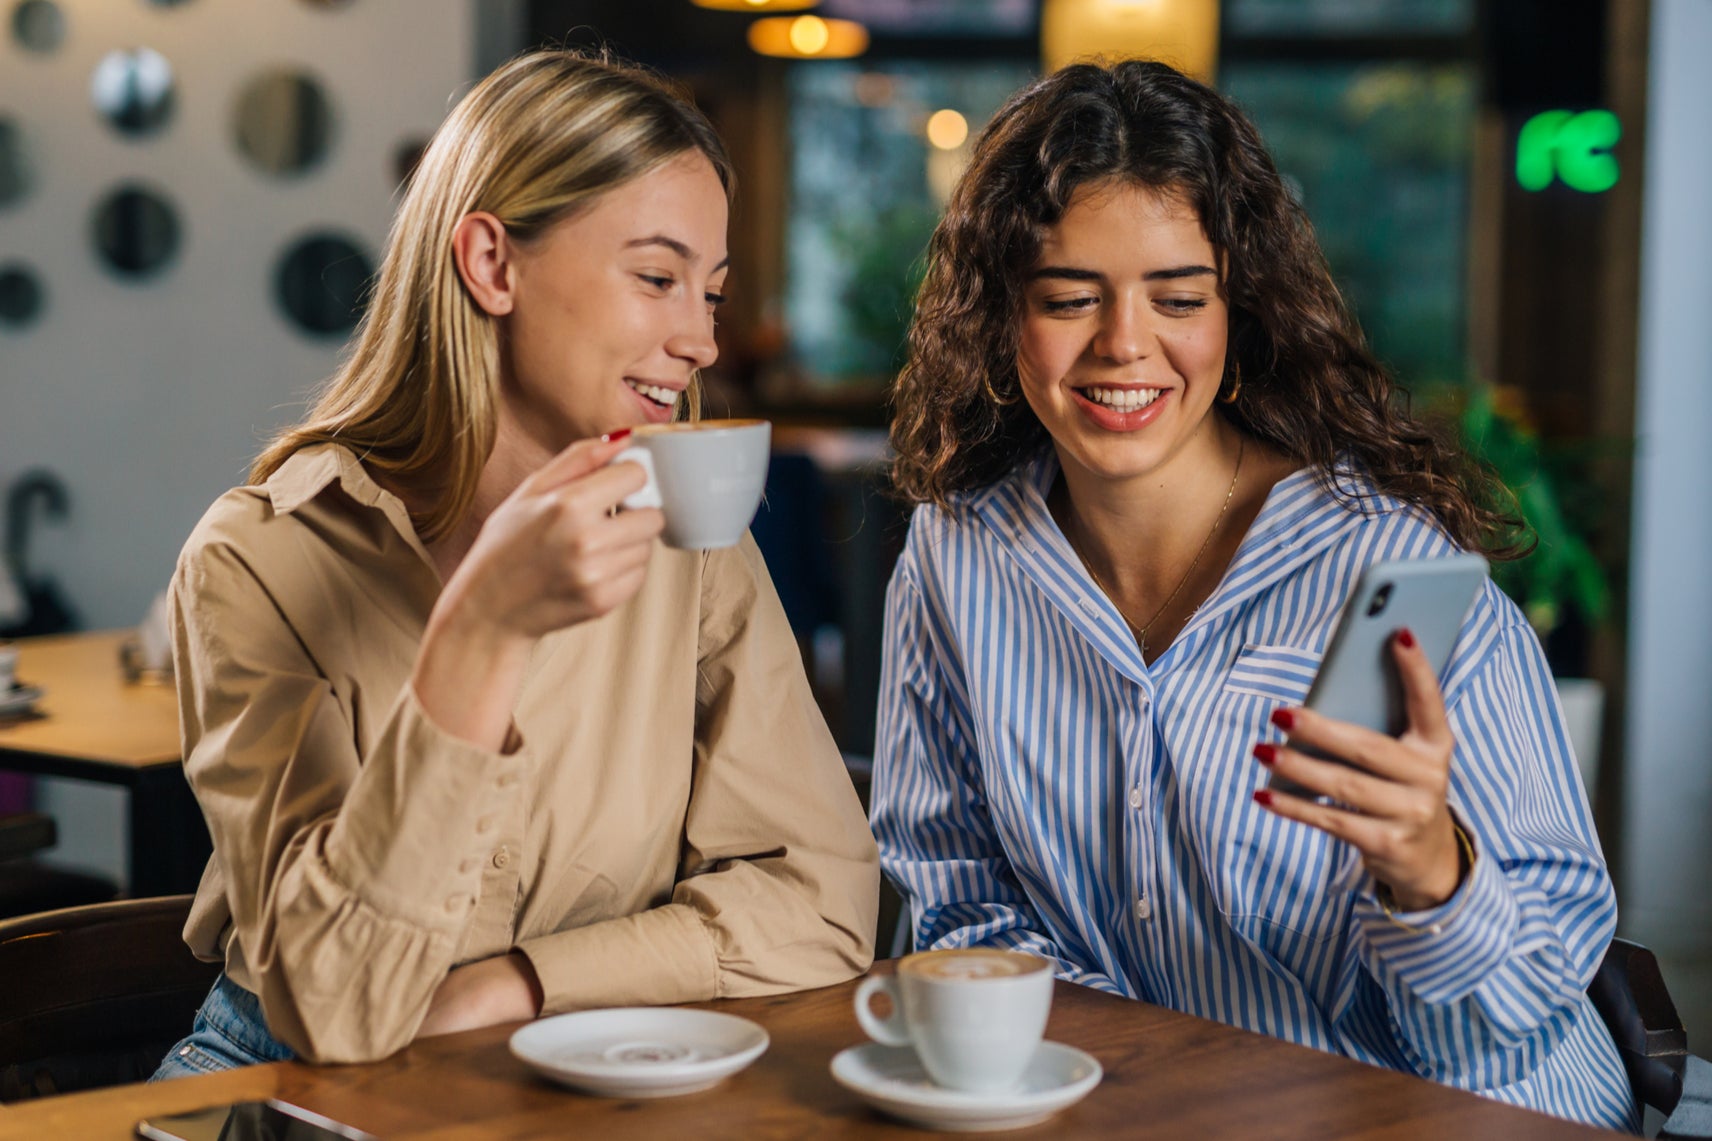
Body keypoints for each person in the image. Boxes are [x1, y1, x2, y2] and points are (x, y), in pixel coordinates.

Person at [872, 60, 1634, 1130]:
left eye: (1176, 298)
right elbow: (957, 895)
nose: (1123, 344)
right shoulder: (958, 558)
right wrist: (1107, 1073)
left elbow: (1522, 1006)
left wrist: (1430, 874)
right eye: (1067, 297)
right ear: (1002, 318)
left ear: (1237, 313)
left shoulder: (1386, 569)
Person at [152, 50, 877, 1075]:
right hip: (287, 1078)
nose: (700, 340)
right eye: (657, 278)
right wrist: (483, 632)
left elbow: (824, 901)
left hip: (588, 1065)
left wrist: (520, 984)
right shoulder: (260, 557)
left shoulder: (690, 548)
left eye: (709, 293)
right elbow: (337, 1010)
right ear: (492, 264)